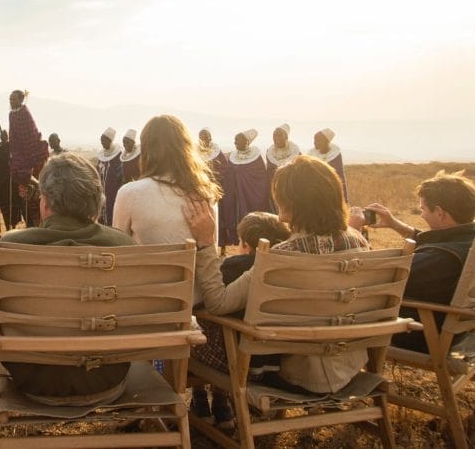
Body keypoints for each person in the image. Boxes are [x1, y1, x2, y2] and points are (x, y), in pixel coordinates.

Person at [185, 155, 372, 396]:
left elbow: (219, 303)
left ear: (287, 206)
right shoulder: (358, 241)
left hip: (299, 374)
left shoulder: (281, 256)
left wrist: (206, 242)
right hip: (352, 367)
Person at [0, 152, 137, 405]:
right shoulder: (126, 248)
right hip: (108, 378)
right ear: (96, 203)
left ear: (45, 202)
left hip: (34, 381)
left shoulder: (5, 250)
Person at [110, 115, 227, 424]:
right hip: (193, 308)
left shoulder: (130, 194)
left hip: (145, 310)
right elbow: (208, 251)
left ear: (147, 150)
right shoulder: (206, 195)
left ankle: (144, 394)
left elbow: (118, 252)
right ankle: (204, 392)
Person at [348, 170, 475, 352]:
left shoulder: (441, 259)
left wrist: (353, 232)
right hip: (459, 329)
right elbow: (442, 241)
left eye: (423, 209)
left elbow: (376, 278)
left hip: (422, 332)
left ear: (439, 212)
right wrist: (394, 224)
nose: (421, 215)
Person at [217, 130, 269, 249]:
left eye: (238, 140)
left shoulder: (256, 157)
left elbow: (260, 175)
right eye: (235, 140)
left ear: (247, 142)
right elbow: (228, 173)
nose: (235, 143)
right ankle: (237, 241)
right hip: (234, 195)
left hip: (250, 194)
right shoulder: (233, 156)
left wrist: (243, 179)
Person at [8, 90, 44, 221]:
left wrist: (29, 151)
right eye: (10, 99)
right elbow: (12, 133)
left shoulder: (25, 112)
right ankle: (33, 185)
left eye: (14, 99)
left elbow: (30, 132)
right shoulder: (11, 115)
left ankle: (37, 184)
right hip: (17, 150)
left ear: (20, 100)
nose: (11, 102)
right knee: (15, 171)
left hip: (29, 149)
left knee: (23, 170)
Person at [0, 129, 22, 230]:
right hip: (1, 182)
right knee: (4, 205)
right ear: (0, 137)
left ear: (8, 136)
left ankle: (14, 226)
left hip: (12, 181)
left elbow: (18, 159)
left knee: (14, 204)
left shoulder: (12, 147)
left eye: (5, 135)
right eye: (2, 135)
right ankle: (8, 227)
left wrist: (11, 159)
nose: (3, 137)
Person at [265, 124, 301, 212]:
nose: (276, 138)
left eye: (280, 135)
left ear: (286, 137)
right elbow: (269, 172)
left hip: (292, 191)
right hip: (276, 190)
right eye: (275, 135)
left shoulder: (296, 152)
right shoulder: (270, 152)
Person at [308, 128, 348, 201]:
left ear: (326, 141)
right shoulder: (311, 155)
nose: (315, 142)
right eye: (314, 139)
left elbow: (340, 176)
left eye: (318, 140)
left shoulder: (335, 155)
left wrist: (345, 199)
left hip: (332, 192)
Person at [95, 127, 123, 226]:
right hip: (102, 191)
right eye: (101, 140)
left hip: (113, 192)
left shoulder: (118, 156)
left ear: (110, 141)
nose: (102, 143)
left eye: (104, 140)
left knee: (111, 213)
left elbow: (120, 175)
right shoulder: (101, 155)